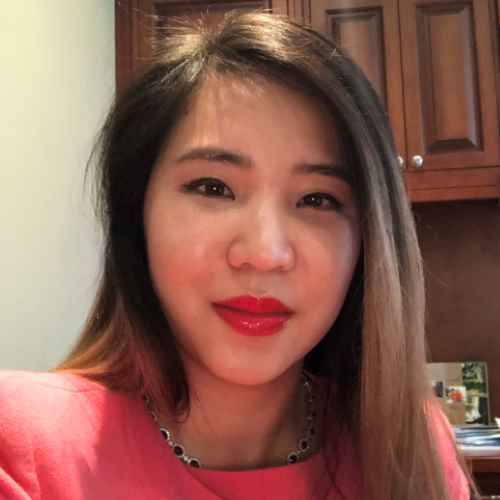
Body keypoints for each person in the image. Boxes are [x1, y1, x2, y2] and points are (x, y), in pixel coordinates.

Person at [0, 10, 477, 500]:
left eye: (318, 199)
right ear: (137, 212)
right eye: (214, 187)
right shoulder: (23, 447)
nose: (265, 254)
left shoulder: (406, 446)